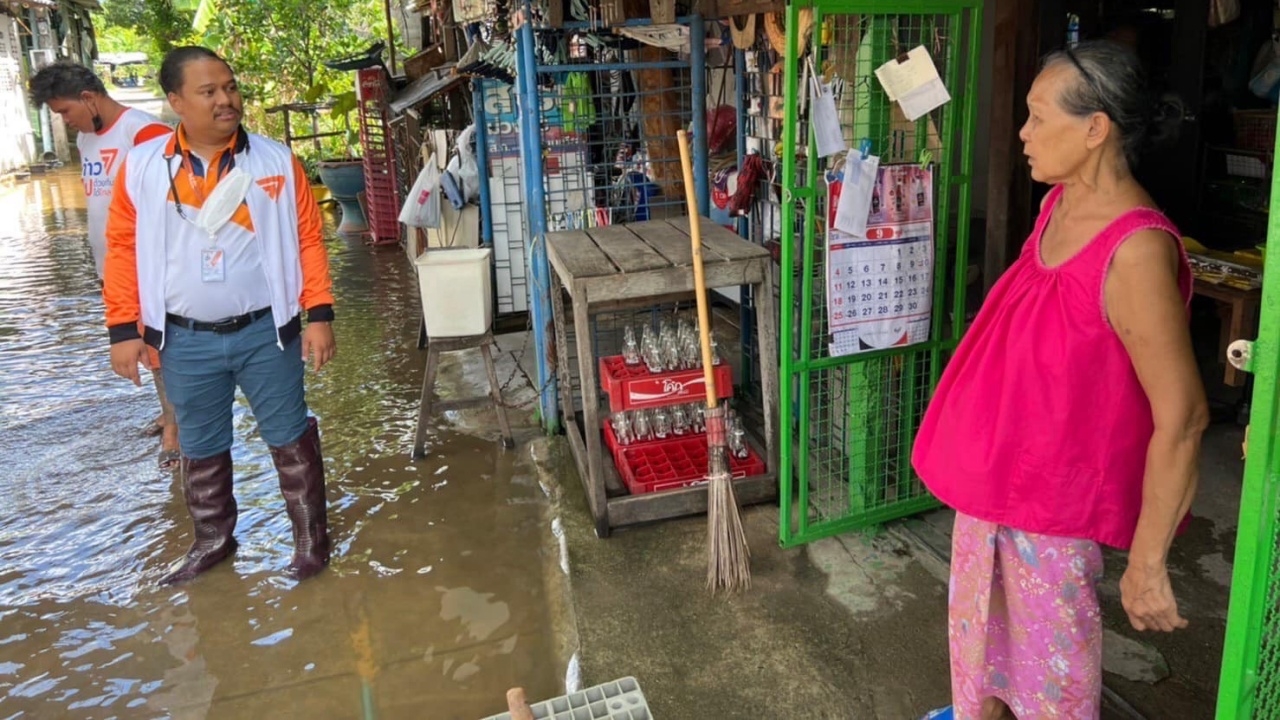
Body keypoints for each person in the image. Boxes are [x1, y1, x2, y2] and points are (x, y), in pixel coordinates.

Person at [912, 41, 1208, 720]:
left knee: (1053, 689)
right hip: (992, 488)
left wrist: (1148, 561)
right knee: (979, 655)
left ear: (1095, 129)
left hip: (1051, 516)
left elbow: (1185, 416)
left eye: (1038, 117)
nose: (1023, 133)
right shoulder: (1059, 205)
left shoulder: (1135, 250)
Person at [103, 46, 337, 584]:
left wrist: (318, 313)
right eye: (208, 92)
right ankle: (213, 541)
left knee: (289, 437)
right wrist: (122, 329)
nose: (225, 99)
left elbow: (307, 239)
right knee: (200, 444)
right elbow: (121, 248)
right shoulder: (143, 167)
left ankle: (309, 541)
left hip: (266, 333)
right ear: (176, 101)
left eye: (229, 87)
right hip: (183, 340)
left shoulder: (275, 161)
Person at [28, 61, 182, 469]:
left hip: (151, 266)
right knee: (144, 346)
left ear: (88, 97)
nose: (65, 122)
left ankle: (176, 427)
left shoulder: (145, 133)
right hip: (110, 266)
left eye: (64, 112)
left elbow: (176, 204)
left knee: (162, 344)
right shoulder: (86, 141)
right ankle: (170, 412)